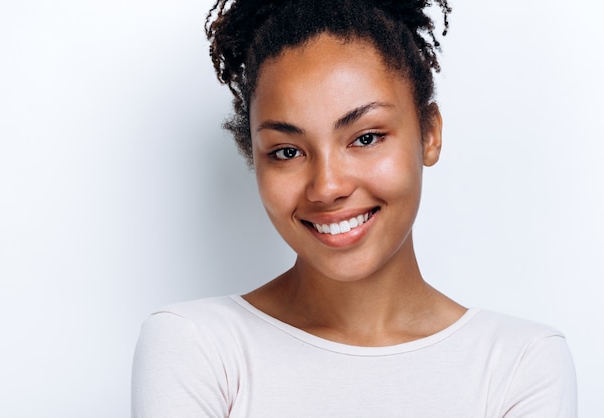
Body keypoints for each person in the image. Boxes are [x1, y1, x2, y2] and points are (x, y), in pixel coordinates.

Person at [131, 0, 577, 416]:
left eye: (365, 138)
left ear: (429, 133)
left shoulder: (519, 362)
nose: (327, 187)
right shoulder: (197, 346)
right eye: (287, 151)